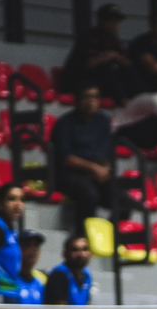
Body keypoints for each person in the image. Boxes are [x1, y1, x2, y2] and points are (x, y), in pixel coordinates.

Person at [49, 85, 129, 226]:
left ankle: (110, 237)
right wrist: (92, 168)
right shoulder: (64, 123)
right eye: (86, 97)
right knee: (89, 195)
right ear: (77, 100)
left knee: (124, 200)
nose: (91, 101)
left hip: (97, 173)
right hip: (70, 174)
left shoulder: (103, 121)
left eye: (95, 97)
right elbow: (66, 158)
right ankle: (82, 237)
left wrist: (104, 169)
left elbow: (108, 153)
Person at [60, 3, 136, 102]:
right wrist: (106, 57)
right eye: (110, 20)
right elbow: (89, 64)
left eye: (117, 21)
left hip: (100, 83)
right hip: (79, 81)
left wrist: (115, 57)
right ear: (101, 21)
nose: (114, 24)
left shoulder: (115, 40)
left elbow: (127, 62)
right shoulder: (90, 38)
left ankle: (138, 99)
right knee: (109, 70)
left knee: (128, 71)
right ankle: (123, 101)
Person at [41, 231, 94, 309]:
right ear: (65, 253)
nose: (81, 254)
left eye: (84, 249)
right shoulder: (59, 275)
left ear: (90, 253)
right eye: (75, 250)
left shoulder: (87, 275)